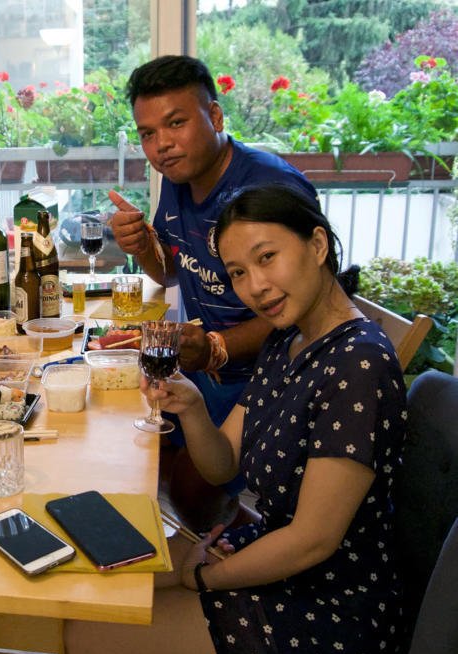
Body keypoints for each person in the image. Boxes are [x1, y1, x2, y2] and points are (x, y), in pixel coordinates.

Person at [65, 184, 406, 654]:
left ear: (317, 245)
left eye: (267, 257)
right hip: (272, 555)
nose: (256, 286)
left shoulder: (358, 365)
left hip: (332, 604)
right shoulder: (287, 338)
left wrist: (204, 577)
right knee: (113, 569)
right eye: (239, 273)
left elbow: (313, 540)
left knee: (89, 637)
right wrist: (192, 405)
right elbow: (222, 464)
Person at [108, 55, 319, 531]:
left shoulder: (267, 186)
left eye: (176, 123)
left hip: (275, 376)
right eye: (147, 133)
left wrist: (218, 348)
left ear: (216, 117)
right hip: (207, 370)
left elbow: (309, 304)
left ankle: (237, 539)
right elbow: (169, 272)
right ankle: (228, 524)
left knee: (186, 484)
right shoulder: (180, 180)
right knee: (132, 443)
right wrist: (144, 246)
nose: (162, 145)